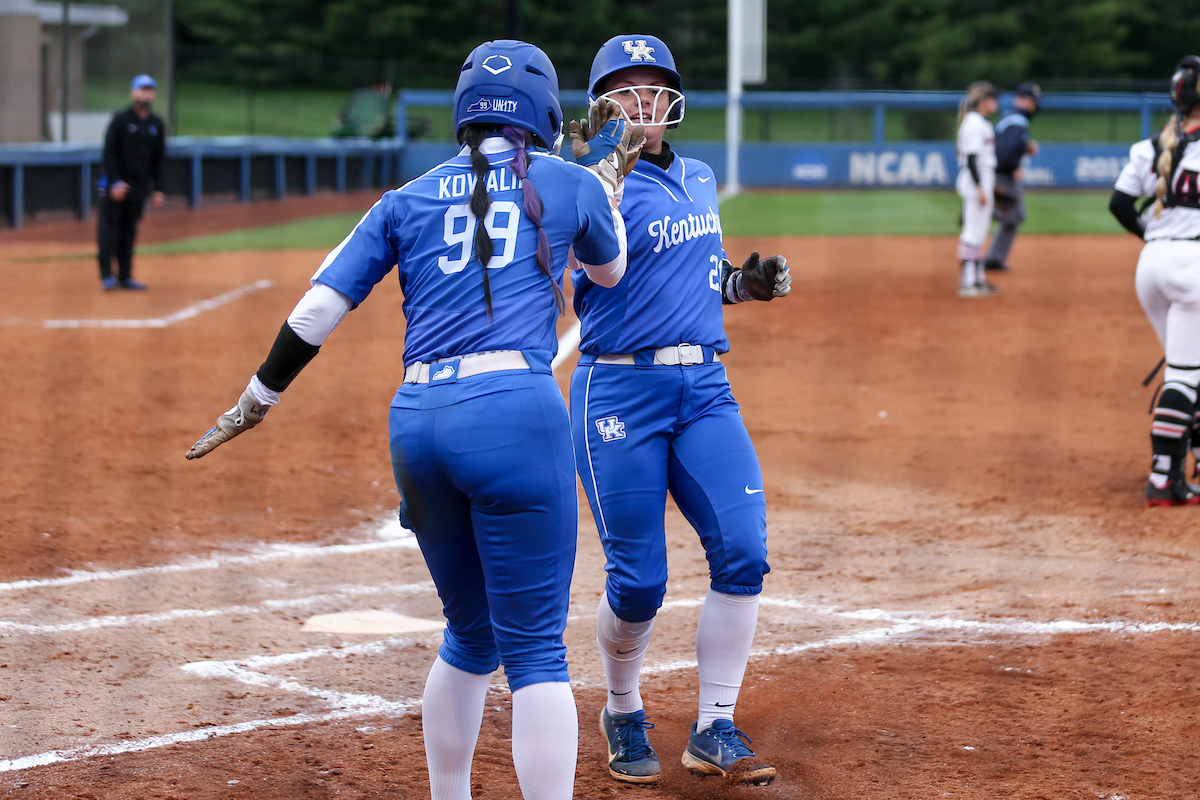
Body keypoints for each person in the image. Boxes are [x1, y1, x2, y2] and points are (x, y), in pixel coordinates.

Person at [184, 39, 640, 800]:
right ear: (545, 111)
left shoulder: (406, 196)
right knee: (533, 653)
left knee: (470, 636)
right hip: (513, 417)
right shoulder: (568, 182)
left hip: (418, 424)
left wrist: (257, 399)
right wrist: (607, 178)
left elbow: (318, 309)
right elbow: (611, 271)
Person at [568, 33, 791, 788]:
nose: (645, 103)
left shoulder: (698, 176)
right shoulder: (582, 185)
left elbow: (701, 279)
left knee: (745, 549)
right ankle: (623, 708)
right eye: (627, 90)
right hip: (618, 391)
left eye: (654, 88)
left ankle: (716, 726)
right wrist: (593, 178)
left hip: (704, 390)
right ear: (603, 105)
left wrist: (745, 285)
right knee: (638, 581)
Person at [1109, 55, 1200, 506]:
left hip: (1152, 266)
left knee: (1189, 366)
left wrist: (1157, 236)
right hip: (1195, 270)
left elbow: (1119, 205)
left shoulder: (1151, 147)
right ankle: (1164, 479)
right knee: (1186, 375)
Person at [97, 74, 165, 291]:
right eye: (141, 89)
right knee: (109, 230)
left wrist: (158, 189)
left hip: (138, 187)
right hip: (115, 185)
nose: (145, 93)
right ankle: (107, 275)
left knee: (129, 231)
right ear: (133, 92)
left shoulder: (156, 124)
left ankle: (125, 276)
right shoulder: (120, 120)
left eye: (149, 90)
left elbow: (159, 159)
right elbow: (109, 153)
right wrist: (115, 182)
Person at [984, 82, 1042, 273]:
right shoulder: (1017, 121)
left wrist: (1025, 148)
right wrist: (1013, 167)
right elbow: (1003, 152)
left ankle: (994, 258)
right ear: (1020, 99)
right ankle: (993, 257)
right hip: (1003, 175)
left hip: (998, 173)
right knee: (1015, 214)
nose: (1033, 104)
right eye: (1030, 100)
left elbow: (1003, 145)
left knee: (1014, 216)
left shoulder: (1011, 118)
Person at [955, 80, 999, 298]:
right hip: (976, 180)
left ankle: (977, 279)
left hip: (982, 179)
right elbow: (972, 160)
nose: (996, 102)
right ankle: (967, 282)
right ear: (983, 101)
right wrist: (981, 187)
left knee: (980, 232)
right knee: (972, 231)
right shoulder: (974, 123)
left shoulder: (980, 122)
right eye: (993, 98)